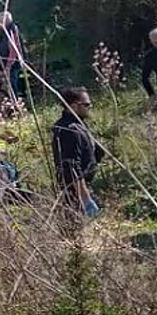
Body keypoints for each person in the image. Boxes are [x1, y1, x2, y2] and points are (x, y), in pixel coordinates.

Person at [52, 87, 104, 218]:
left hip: (83, 186)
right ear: (74, 106)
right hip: (75, 192)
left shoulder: (78, 124)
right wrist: (85, 198)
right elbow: (71, 167)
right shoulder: (69, 131)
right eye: (86, 104)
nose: (90, 107)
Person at [0, 11, 25, 103]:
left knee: (12, 84)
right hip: (5, 62)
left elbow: (13, 49)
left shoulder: (11, 30)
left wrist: (9, 65)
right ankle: (7, 101)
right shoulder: (3, 30)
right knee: (5, 83)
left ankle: (14, 102)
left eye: (0, 20)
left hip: (12, 63)